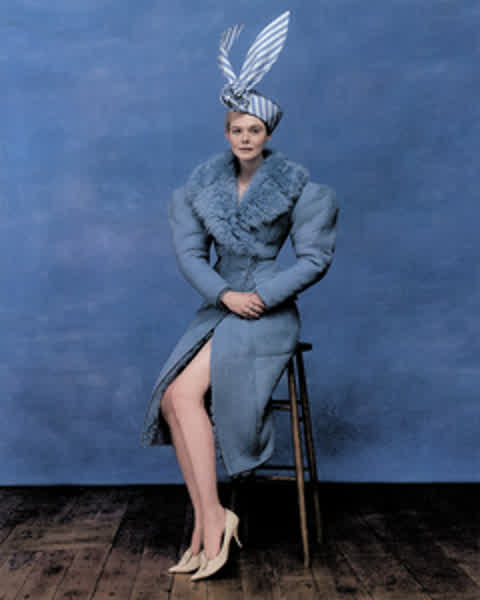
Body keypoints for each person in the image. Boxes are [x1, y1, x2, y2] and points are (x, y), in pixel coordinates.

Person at [140, 10, 339, 581]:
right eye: (237, 130)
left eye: (255, 130)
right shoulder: (200, 189)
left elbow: (315, 259)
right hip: (219, 306)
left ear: (268, 134)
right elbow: (190, 256)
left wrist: (260, 296)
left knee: (183, 396)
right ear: (226, 134)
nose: (246, 138)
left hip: (267, 312)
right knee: (173, 398)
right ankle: (212, 519)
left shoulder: (303, 189)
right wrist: (224, 294)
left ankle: (210, 524)